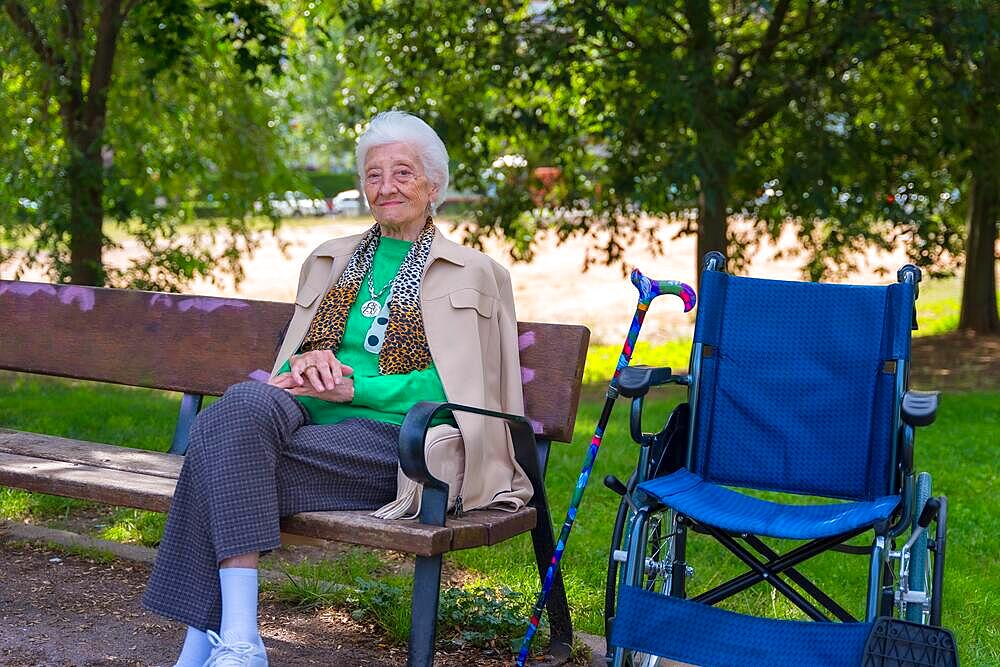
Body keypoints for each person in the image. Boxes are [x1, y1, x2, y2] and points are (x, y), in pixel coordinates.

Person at [142, 111, 533, 666]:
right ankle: (239, 641)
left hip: (398, 443)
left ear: (434, 187)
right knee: (241, 406)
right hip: (302, 421)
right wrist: (307, 367)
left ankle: (213, 641)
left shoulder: (471, 273)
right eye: (374, 175)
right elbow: (292, 360)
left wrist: (355, 389)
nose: (386, 186)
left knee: (215, 448)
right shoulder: (331, 258)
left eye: (403, 173)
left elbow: (459, 386)